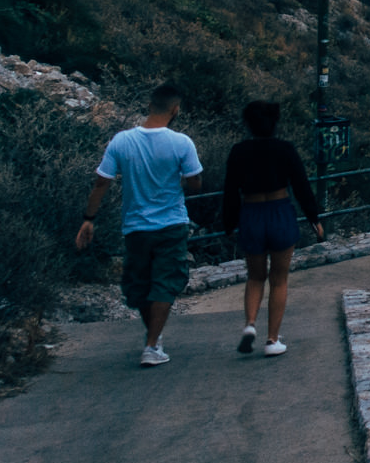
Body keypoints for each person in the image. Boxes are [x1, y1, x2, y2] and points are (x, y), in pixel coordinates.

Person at [76, 84, 203, 367]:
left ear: (149, 106)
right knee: (165, 281)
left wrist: (89, 219)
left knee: (141, 284)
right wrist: (178, 182)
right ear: (175, 109)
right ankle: (152, 344)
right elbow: (195, 184)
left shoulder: (121, 141)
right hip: (171, 223)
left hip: (135, 226)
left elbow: (101, 182)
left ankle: (153, 339)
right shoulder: (182, 143)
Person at [220, 101, 324, 356]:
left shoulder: (238, 151)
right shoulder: (285, 149)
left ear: (248, 124)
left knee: (255, 277)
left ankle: (250, 325)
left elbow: (230, 191)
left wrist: (229, 224)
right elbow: (301, 186)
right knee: (279, 280)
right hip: (279, 212)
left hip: (251, 214)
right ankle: (272, 340)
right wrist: (314, 218)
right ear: (275, 122)